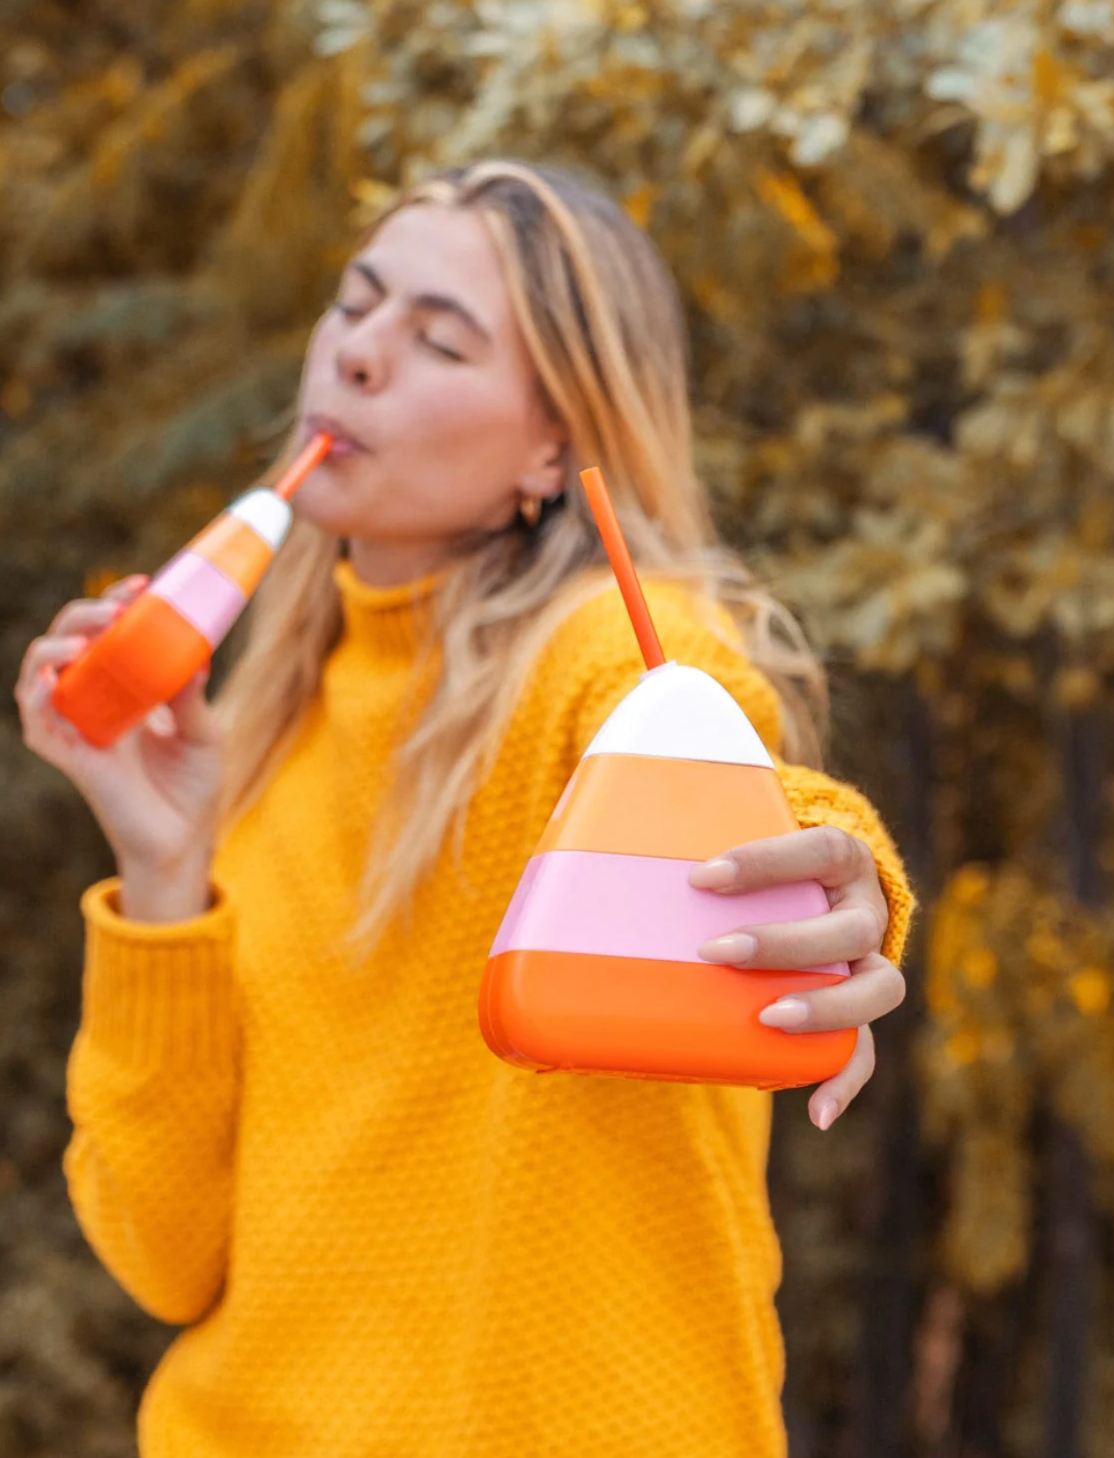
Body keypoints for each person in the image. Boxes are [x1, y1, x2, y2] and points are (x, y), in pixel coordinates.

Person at [16, 160, 913, 1458]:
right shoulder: (269, 738)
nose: (360, 356)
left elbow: (712, 737)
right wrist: (164, 866)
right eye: (354, 304)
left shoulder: (600, 647)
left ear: (556, 444)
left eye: (439, 338)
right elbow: (163, 1256)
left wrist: (847, 880)